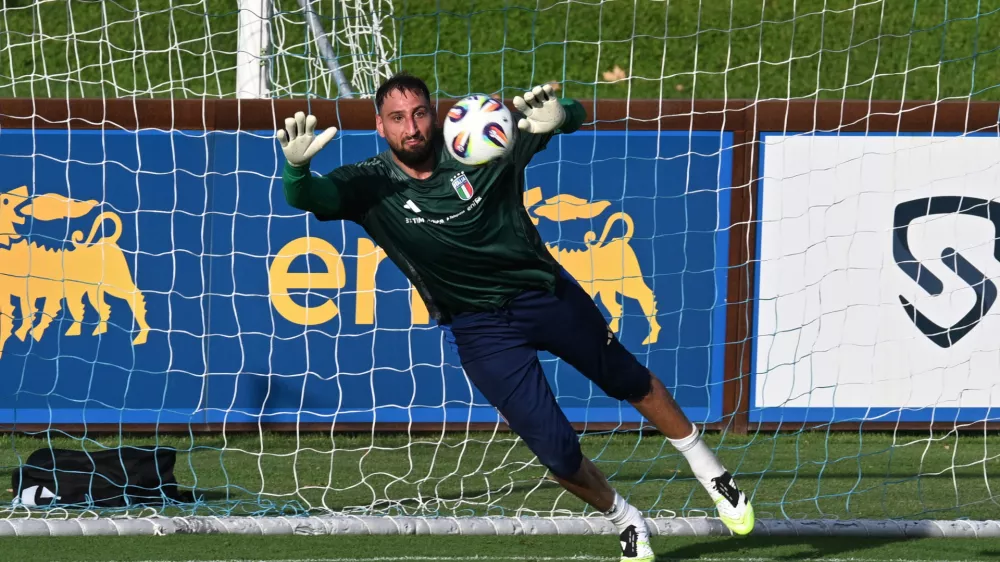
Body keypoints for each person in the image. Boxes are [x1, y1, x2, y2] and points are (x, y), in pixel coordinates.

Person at [277, 72, 754, 561]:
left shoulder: (483, 141)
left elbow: (563, 117)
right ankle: (626, 519)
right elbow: (309, 196)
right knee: (556, 452)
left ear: (434, 115)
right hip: (478, 329)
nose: (411, 127)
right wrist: (296, 170)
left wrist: (562, 115)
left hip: (542, 293)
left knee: (627, 378)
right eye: (397, 118)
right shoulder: (369, 182)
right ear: (380, 126)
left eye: (419, 113)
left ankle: (713, 474)